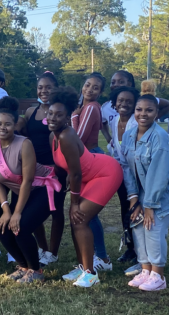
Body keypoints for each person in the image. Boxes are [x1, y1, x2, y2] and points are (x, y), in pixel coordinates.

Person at [48, 86, 123, 288]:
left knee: (79, 218)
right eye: (50, 113)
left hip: (105, 172)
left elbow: (76, 173)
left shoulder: (66, 136)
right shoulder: (53, 136)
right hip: (89, 174)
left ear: (67, 117)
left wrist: (73, 203)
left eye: (59, 115)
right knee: (77, 221)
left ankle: (90, 274)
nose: (53, 118)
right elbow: (66, 168)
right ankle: (83, 267)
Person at [119, 94, 169, 291]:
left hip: (168, 190)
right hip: (145, 189)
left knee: (153, 225)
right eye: (139, 109)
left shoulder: (160, 137)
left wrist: (149, 205)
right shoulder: (129, 134)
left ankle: (158, 276)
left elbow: (160, 175)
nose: (143, 114)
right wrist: (134, 200)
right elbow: (127, 168)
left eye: (149, 110)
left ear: (157, 113)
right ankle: (146, 270)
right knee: (137, 223)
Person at [0, 97, 60, 284]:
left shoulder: (24, 144)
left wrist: (17, 213)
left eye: (7, 124)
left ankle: (36, 271)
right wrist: (6, 210)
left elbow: (28, 180)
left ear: (15, 125)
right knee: (2, 229)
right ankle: (24, 266)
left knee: (21, 227)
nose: (2, 128)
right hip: (22, 194)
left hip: (42, 190)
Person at [17, 71, 63, 266]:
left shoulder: (60, 112)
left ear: (56, 89)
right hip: (34, 170)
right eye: (40, 87)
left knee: (56, 211)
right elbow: (26, 136)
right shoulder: (30, 112)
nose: (44, 91)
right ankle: (42, 248)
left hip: (55, 170)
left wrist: (62, 169)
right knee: (32, 211)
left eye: (48, 87)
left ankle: (52, 252)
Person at [70, 72, 112, 273]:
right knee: (89, 215)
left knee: (87, 213)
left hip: (90, 159)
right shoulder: (84, 107)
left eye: (96, 87)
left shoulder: (91, 108)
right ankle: (99, 255)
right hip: (86, 158)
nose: (90, 89)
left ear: (101, 92)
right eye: (87, 85)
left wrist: (73, 116)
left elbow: (77, 139)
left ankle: (101, 256)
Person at [105, 85, 140, 269]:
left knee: (137, 211)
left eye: (129, 101)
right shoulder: (115, 120)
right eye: (120, 101)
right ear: (115, 103)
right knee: (125, 210)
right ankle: (130, 248)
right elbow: (117, 149)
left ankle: (141, 253)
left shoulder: (137, 122)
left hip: (139, 175)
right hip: (122, 174)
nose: (124, 104)